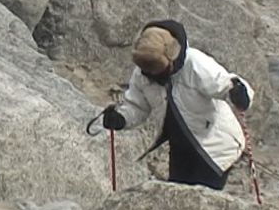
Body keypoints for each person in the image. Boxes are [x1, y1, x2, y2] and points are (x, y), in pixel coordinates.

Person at [102, 19, 254, 191]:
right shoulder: (142, 74)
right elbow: (137, 106)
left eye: (159, 71)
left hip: (216, 147)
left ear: (172, 58)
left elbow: (227, 83)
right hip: (180, 145)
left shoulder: (196, 64)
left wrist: (240, 94)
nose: (153, 76)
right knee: (177, 196)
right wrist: (121, 118)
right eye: (148, 71)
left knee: (200, 203)